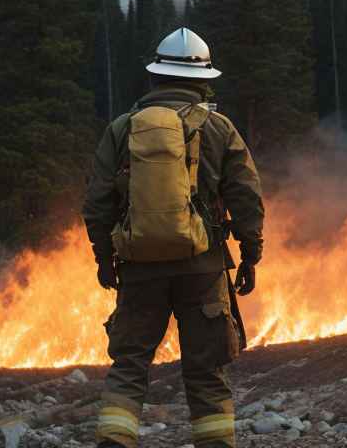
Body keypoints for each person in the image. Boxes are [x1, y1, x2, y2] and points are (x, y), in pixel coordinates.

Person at [83, 27, 264, 448]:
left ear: (155, 78)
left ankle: (115, 440)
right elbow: (247, 196)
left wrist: (104, 257)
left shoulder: (122, 129)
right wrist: (250, 254)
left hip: (140, 270)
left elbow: (97, 203)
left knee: (129, 366)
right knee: (206, 372)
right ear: (203, 81)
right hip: (203, 271)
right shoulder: (220, 128)